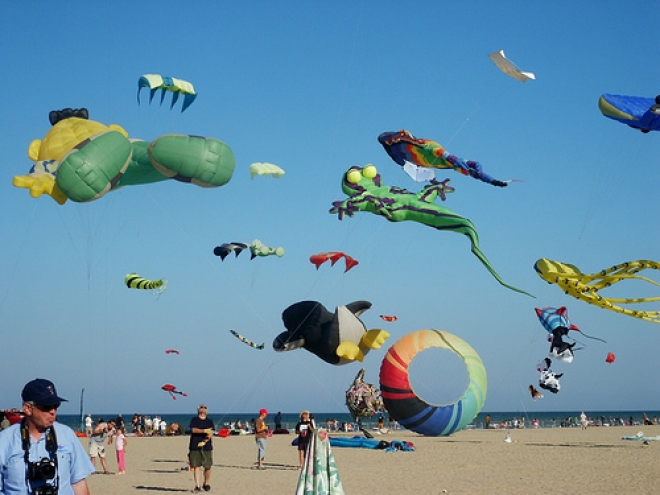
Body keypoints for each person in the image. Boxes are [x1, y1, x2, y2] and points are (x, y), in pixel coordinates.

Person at [0, 378, 95, 494]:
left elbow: (78, 483)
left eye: (56, 406)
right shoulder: (5, 441)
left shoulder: (67, 435)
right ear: (28, 409)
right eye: (46, 406)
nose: (53, 411)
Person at [189, 404, 214, 492]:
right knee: (196, 466)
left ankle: (206, 483)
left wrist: (205, 441)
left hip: (206, 447)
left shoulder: (209, 421)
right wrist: (203, 431)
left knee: (208, 466)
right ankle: (197, 485)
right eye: (201, 407)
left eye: (205, 407)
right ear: (198, 409)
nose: (203, 409)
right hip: (195, 445)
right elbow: (193, 430)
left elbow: (211, 433)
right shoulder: (194, 420)